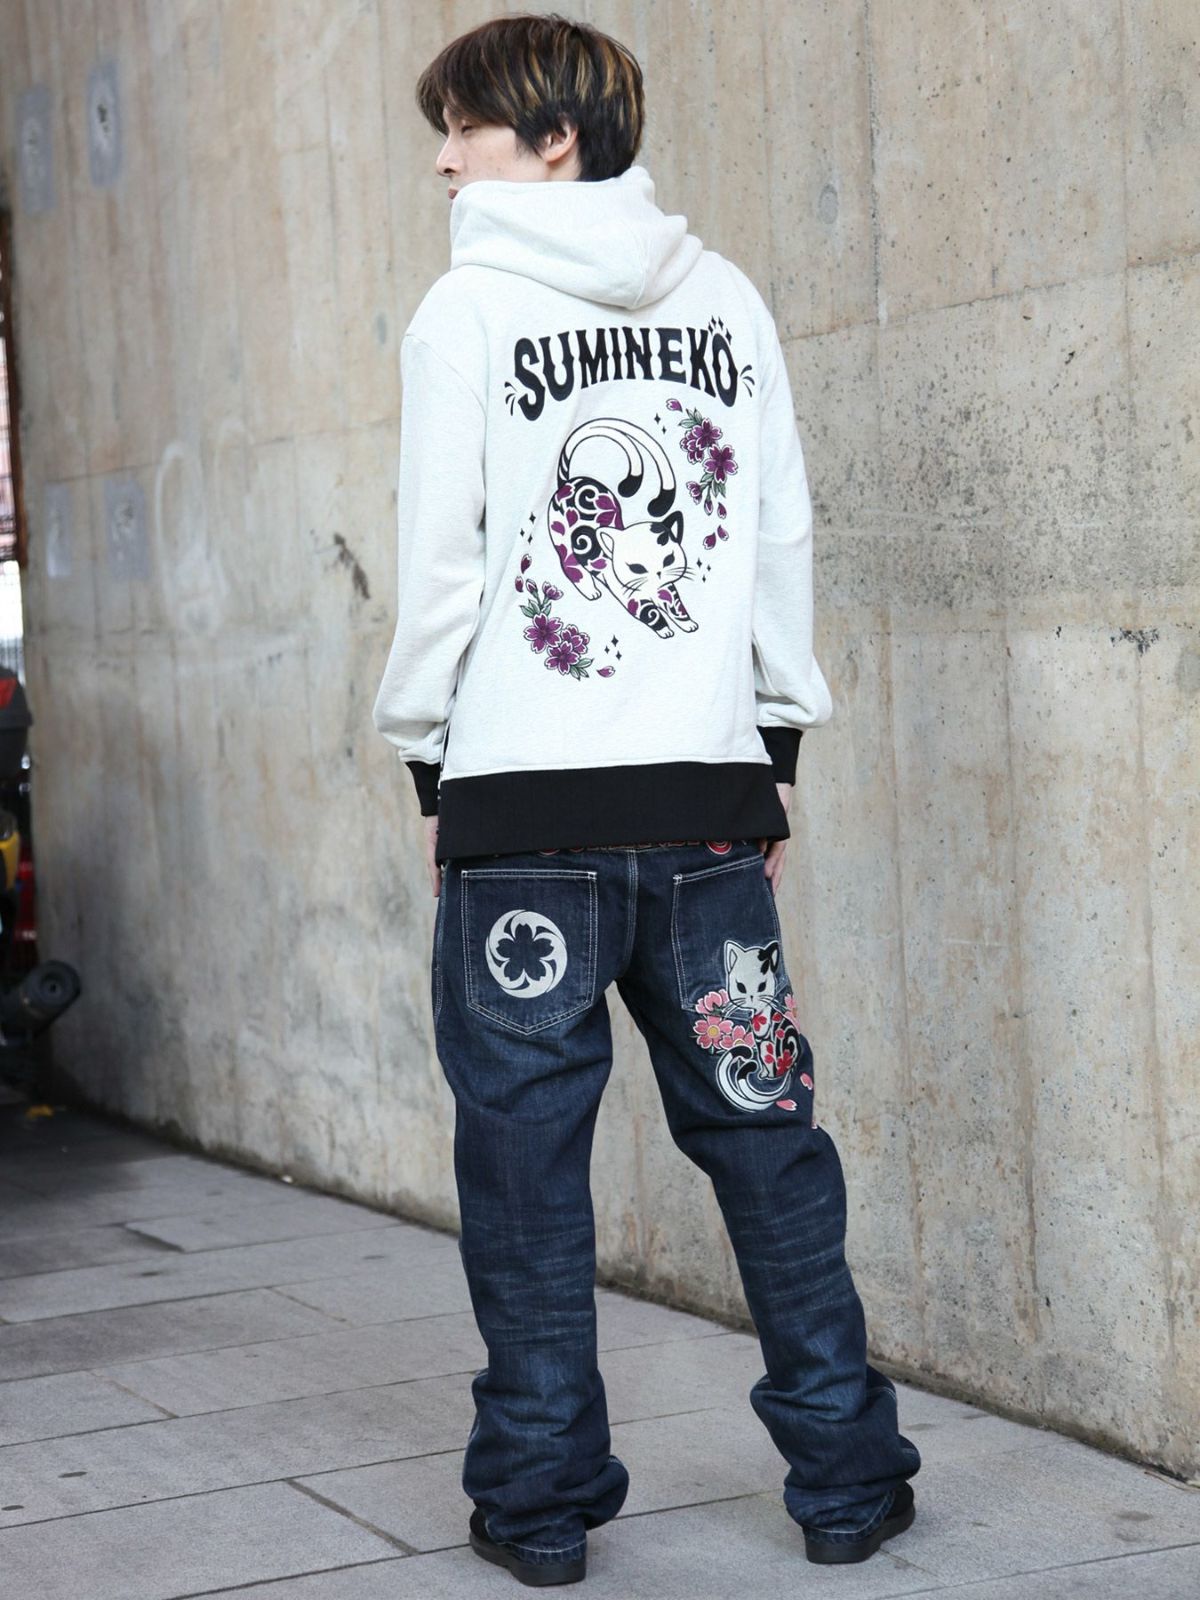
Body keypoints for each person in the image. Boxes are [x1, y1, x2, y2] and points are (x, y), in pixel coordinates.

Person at [372, 11, 920, 1586]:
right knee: (768, 1145)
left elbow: (444, 566)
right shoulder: (725, 298)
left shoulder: (466, 312)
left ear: (554, 137)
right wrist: (772, 753)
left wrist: (432, 763)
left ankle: (540, 1503)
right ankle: (845, 1478)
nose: (443, 160)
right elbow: (778, 536)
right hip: (705, 818)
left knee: (525, 1173)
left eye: (464, 127)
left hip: (521, 829)